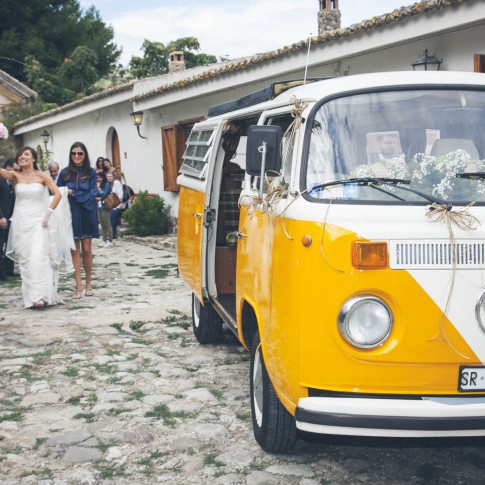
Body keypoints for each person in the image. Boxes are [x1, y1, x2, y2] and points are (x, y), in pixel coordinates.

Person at [0, 147, 70, 308]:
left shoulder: (42, 176)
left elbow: (57, 194)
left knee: (38, 256)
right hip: (21, 223)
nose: (22, 157)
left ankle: (42, 296)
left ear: (33, 159)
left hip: (39, 222)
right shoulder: (15, 176)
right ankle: (32, 296)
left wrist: (48, 214)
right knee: (26, 260)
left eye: (26, 154)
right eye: (20, 155)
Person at [57, 142, 99, 299]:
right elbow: (57, 191)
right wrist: (65, 192)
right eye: (74, 153)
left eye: (80, 153)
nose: (76, 156)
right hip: (71, 213)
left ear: (85, 155)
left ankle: (89, 284)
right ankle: (78, 286)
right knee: (74, 250)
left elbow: (93, 193)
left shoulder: (92, 172)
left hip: (87, 212)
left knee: (87, 249)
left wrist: (73, 193)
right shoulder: (64, 173)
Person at [96, 172, 113, 247]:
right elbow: (95, 194)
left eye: (100, 177)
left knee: (107, 224)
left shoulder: (107, 185)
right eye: (97, 177)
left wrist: (99, 189)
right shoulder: (99, 185)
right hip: (99, 206)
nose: (98, 179)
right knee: (102, 224)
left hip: (106, 206)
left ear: (103, 178)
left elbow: (104, 194)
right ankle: (104, 240)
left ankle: (110, 241)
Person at [107, 172, 125, 240]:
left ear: (113, 177)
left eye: (110, 176)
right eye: (108, 177)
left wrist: (118, 205)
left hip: (118, 204)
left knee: (113, 218)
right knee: (111, 218)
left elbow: (120, 194)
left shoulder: (116, 182)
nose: (108, 178)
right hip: (114, 205)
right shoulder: (111, 184)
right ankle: (112, 234)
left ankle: (112, 235)